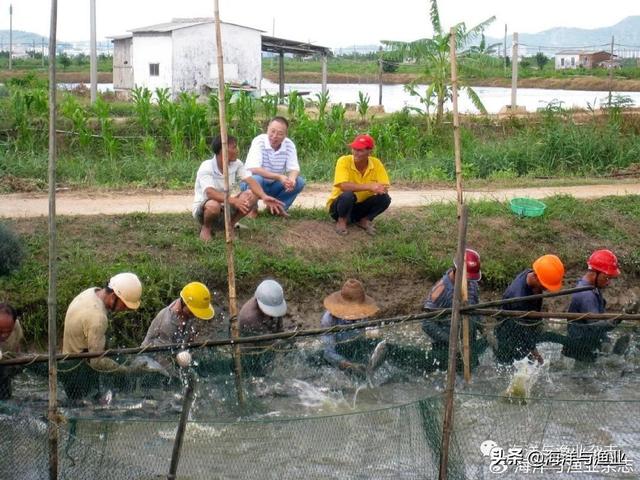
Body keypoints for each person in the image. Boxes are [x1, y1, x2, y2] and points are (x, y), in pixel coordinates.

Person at [61, 272, 143, 400]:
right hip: (79, 376)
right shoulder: (98, 318)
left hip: (68, 364)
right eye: (125, 305)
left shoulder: (91, 292)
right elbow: (97, 362)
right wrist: (125, 370)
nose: (125, 310)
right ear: (113, 296)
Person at [193, 135, 285, 241]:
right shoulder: (206, 166)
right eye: (234, 147)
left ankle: (230, 225)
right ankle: (206, 228)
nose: (237, 150)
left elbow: (250, 181)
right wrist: (234, 201)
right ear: (223, 150)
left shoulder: (237, 164)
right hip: (206, 209)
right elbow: (210, 193)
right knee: (213, 205)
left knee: (252, 195)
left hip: (226, 207)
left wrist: (264, 196)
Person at [493, 254, 565, 365]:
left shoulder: (530, 273)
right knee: (515, 367)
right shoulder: (518, 298)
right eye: (545, 286)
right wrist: (537, 355)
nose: (546, 289)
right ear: (537, 278)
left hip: (523, 324)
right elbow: (523, 333)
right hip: (509, 335)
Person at [421, 249, 486, 370]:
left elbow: (476, 310)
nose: (468, 282)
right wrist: (452, 341)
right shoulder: (441, 290)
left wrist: (484, 330)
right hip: (446, 348)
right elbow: (426, 323)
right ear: (457, 271)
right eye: (466, 278)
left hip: (469, 344)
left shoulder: (473, 285)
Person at [562, 249, 623, 362]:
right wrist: (618, 319)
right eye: (607, 277)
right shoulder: (587, 296)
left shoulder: (589, 286)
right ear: (595, 273)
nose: (608, 282)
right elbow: (596, 326)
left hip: (580, 347)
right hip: (581, 351)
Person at [326, 133, 391, 236]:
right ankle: (341, 221)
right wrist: (370, 186)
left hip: (360, 208)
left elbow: (384, 187)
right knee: (348, 195)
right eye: (354, 149)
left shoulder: (376, 163)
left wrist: (379, 189)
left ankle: (364, 220)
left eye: (360, 150)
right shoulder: (343, 161)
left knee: (385, 198)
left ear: (369, 151)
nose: (355, 153)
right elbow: (343, 185)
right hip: (339, 208)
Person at [242, 116, 305, 216]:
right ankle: (252, 209)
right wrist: (279, 177)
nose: (275, 136)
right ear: (267, 129)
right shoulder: (259, 141)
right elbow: (254, 168)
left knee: (299, 182)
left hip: (273, 184)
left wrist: (291, 180)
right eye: (272, 131)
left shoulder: (289, 144)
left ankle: (277, 208)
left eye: (280, 133)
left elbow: (294, 168)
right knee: (256, 178)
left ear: (285, 135)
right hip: (255, 183)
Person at [320, 279, 380, 374]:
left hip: (357, 348)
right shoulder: (329, 319)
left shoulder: (363, 314)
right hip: (338, 355)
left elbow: (368, 334)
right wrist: (348, 365)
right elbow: (328, 352)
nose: (355, 315)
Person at [142, 282, 215, 347]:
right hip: (150, 358)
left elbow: (189, 342)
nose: (194, 315)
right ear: (184, 303)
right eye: (192, 312)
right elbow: (163, 354)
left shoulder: (186, 312)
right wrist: (179, 358)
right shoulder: (167, 323)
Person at [0, 303, 24, 399]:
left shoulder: (16, 327)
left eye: (8, 331)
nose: (4, 335)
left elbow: (17, 349)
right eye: (0, 331)